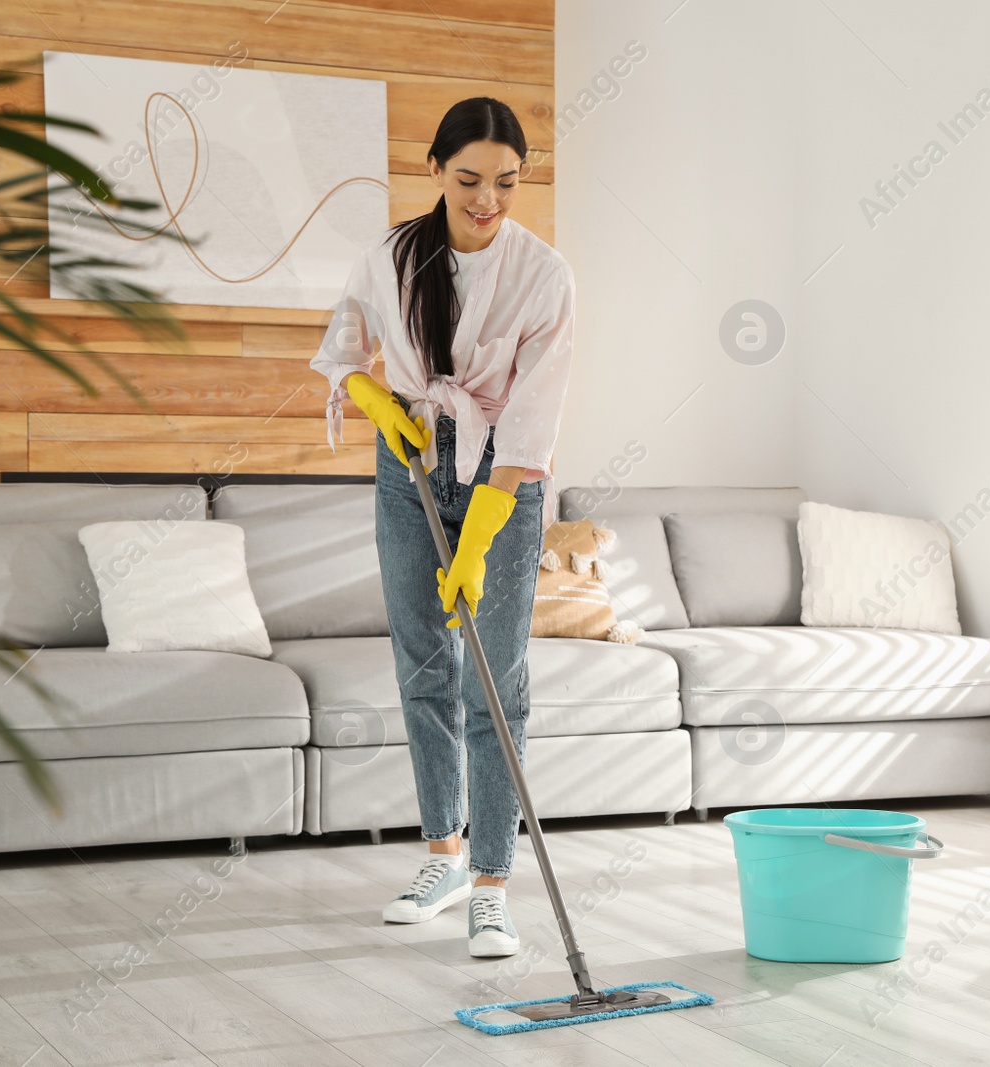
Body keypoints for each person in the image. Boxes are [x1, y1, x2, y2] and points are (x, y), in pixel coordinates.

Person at [310, 97, 575, 958]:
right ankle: (444, 855)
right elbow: (343, 346)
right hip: (410, 466)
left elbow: (530, 425)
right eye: (468, 180)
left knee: (497, 681)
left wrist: (477, 536)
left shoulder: (546, 275)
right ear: (435, 170)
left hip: (502, 476)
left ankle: (493, 888)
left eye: (505, 181)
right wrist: (373, 397)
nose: (487, 199)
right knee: (424, 662)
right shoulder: (391, 255)